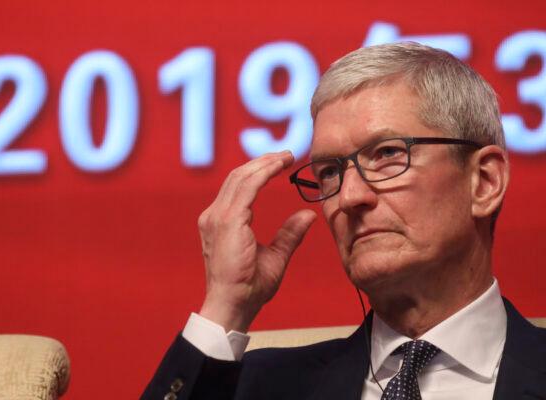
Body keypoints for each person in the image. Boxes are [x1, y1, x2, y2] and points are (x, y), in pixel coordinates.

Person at [141, 43, 546, 400]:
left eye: (388, 154)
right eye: (331, 171)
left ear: (484, 182)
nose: (350, 197)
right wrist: (226, 306)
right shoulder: (257, 386)